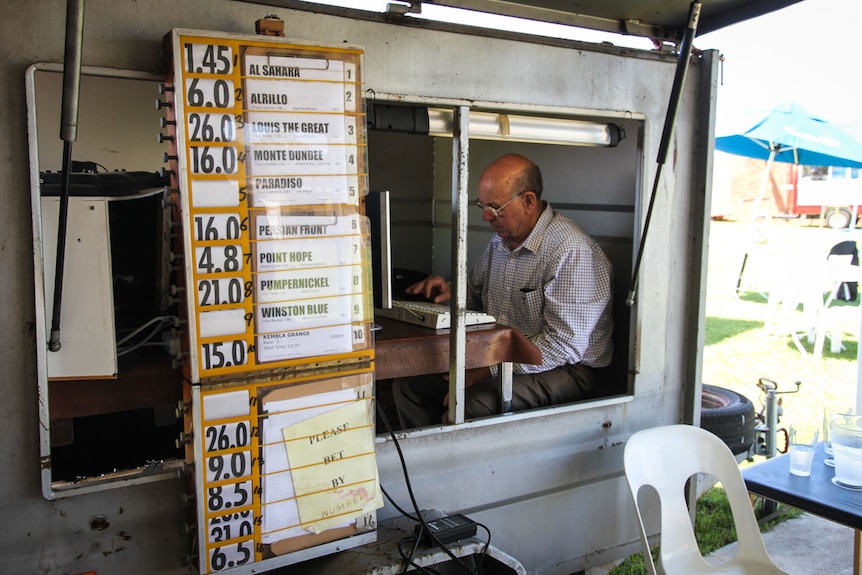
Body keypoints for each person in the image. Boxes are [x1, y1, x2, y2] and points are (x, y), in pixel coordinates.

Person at [392, 153, 614, 428]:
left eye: (495, 208)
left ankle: (457, 467)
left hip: (566, 369)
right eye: (482, 205)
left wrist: (487, 371)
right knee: (410, 385)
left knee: (474, 402)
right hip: (502, 358)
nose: (486, 217)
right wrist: (451, 292)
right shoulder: (501, 242)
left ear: (528, 201)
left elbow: (563, 345)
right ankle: (422, 467)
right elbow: (476, 295)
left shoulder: (571, 251)